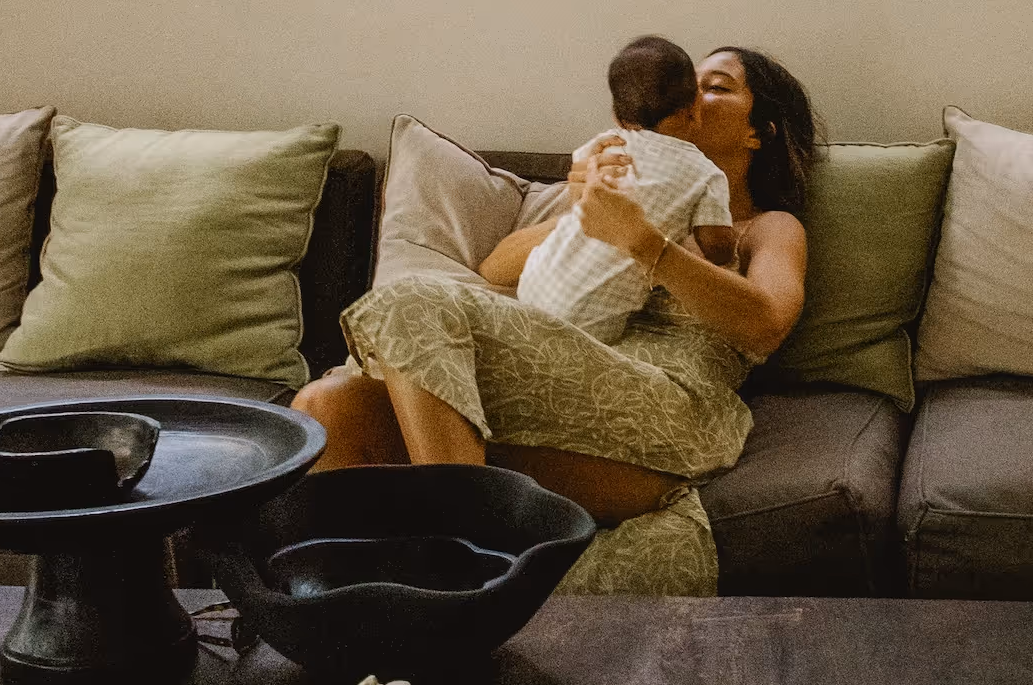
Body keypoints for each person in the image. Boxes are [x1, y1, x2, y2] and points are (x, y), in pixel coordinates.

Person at [293, 47, 816, 596]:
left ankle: (466, 564)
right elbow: (497, 268)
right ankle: (388, 615)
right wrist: (581, 208)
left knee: (412, 302)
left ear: (759, 133)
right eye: (690, 82)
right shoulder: (617, 190)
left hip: (661, 414)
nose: (694, 94)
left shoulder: (767, 227)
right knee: (329, 407)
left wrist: (645, 243)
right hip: (554, 401)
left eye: (717, 86)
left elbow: (767, 323)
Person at [517, 32, 735, 344]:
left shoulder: (605, 145)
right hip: (591, 321)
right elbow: (718, 249)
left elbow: (580, 179)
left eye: (718, 86)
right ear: (694, 108)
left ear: (619, 117)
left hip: (533, 284)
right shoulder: (706, 174)